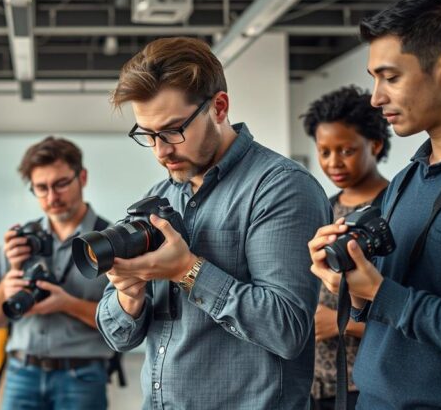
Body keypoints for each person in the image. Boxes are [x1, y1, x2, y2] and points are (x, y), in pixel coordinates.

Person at [96, 36, 330, 409]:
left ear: (218, 107)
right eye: (147, 135)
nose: (161, 151)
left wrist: (188, 270)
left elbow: (287, 329)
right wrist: (129, 293)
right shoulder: (161, 194)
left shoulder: (281, 188)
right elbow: (118, 337)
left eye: (173, 131)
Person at [309, 0, 441, 409]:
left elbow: (392, 300)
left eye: (391, 77)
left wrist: (380, 293)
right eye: (374, 79)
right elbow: (388, 312)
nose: (376, 97)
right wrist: (345, 282)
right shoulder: (409, 179)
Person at [0, 136, 113, 410]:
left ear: (83, 177)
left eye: (61, 184)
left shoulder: (110, 241)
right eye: (41, 188)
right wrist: (7, 283)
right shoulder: (20, 241)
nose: (52, 197)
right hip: (21, 373)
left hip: (82, 376)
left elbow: (126, 323)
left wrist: (67, 304)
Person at [301, 85, 391, 409]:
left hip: (366, 385)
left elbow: (412, 307)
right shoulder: (322, 208)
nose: (333, 162)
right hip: (315, 383)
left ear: (376, 145)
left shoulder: (393, 209)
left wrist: (343, 324)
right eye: (324, 151)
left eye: (346, 150)